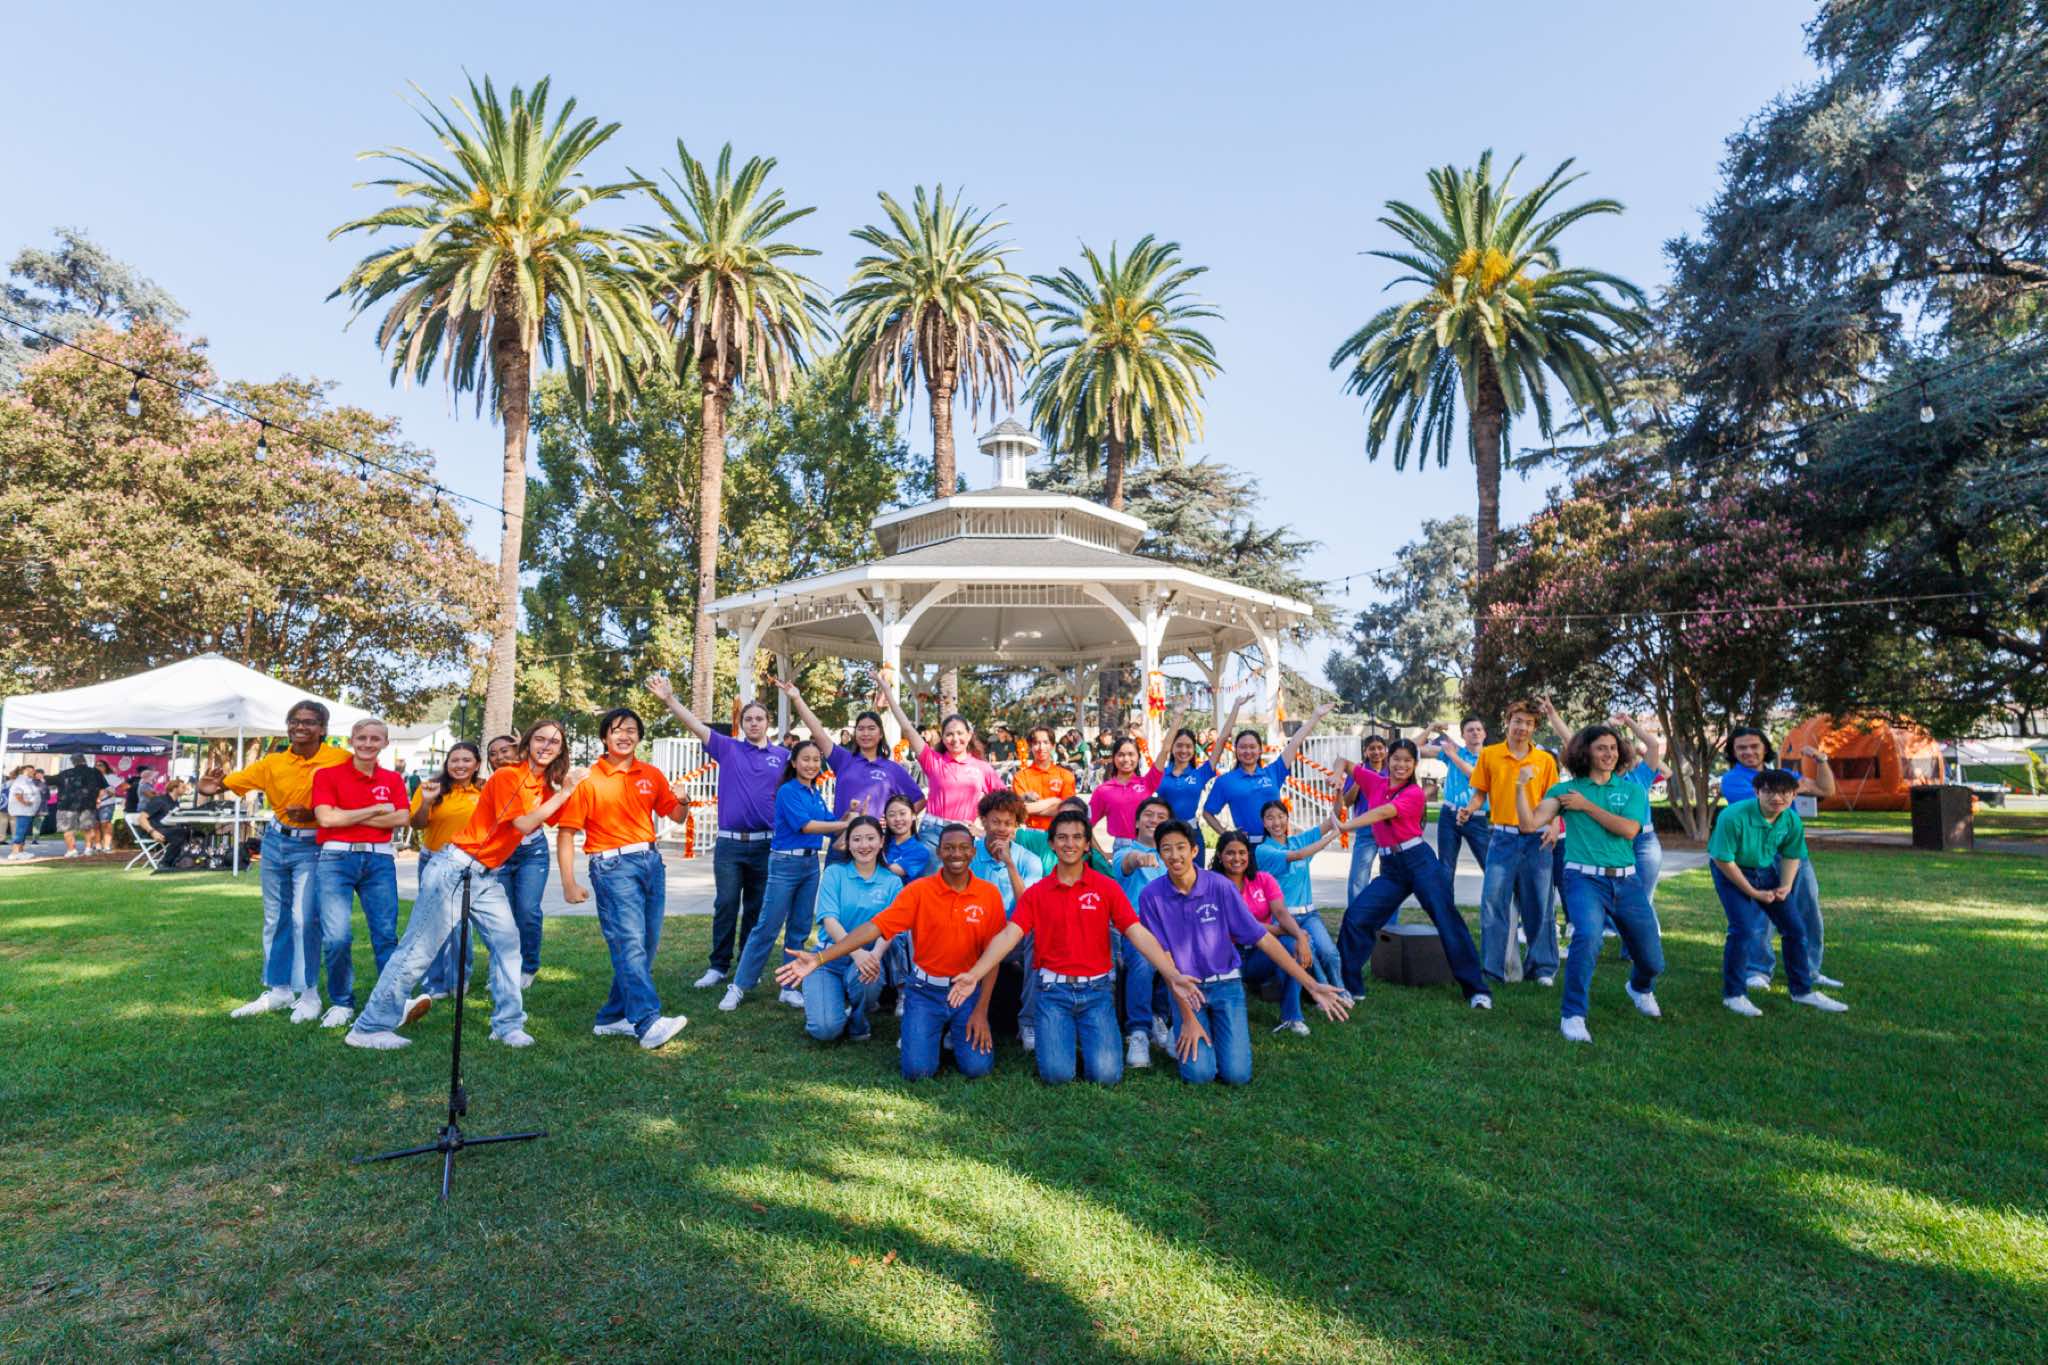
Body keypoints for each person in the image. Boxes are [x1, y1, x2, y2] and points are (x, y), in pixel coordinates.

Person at [352, 719, 661, 1050]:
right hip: (455, 869)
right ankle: (369, 1027)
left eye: (554, 742)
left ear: (561, 751)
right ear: (526, 744)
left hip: (486, 876)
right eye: (540, 739)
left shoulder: (541, 787)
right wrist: (567, 790)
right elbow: (524, 824)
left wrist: (601, 789)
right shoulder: (507, 777)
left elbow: (572, 816)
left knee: (508, 946)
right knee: (417, 952)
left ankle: (507, 1024)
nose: (546, 746)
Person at [946, 809, 1196, 1086]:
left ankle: (1085, 1041)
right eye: (1062, 838)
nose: (1070, 844)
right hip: (1053, 993)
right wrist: (974, 974)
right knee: (1057, 1075)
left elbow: (1137, 932)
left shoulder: (1106, 887)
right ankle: (1063, 1041)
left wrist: (1172, 974)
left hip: (1097, 992)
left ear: (1087, 844)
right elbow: (1009, 936)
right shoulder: (1037, 893)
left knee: (1106, 1075)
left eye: (1077, 837)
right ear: (1052, 844)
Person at [777, 825, 1005, 1081]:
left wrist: (981, 1011)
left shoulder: (989, 894)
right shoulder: (919, 891)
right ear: (939, 852)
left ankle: (946, 1031)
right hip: (925, 991)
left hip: (966, 993)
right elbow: (874, 928)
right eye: (949, 848)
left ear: (973, 852)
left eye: (963, 848)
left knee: (977, 1068)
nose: (956, 854)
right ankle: (929, 1030)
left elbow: (993, 957)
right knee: (917, 1072)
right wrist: (819, 958)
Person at [1136, 821, 1349, 1085]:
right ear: (1159, 853)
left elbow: (1262, 938)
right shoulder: (1151, 896)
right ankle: (1182, 1027)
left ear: (1194, 851)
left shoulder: (1219, 887)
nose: (1174, 855)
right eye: (1166, 849)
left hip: (1226, 984)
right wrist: (1189, 1019)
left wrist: (1312, 984)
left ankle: (1209, 1030)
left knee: (1236, 1075)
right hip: (1187, 990)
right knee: (1199, 1075)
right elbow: (1167, 965)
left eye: (1181, 847)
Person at [198, 700, 351, 1022]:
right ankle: (279, 990)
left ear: (323, 729)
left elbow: (354, 798)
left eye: (309, 722)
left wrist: (316, 814)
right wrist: (210, 788)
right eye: (294, 721)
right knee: (275, 918)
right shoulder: (273, 762)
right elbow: (229, 783)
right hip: (275, 842)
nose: (300, 726)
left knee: (304, 919)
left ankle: (309, 994)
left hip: (313, 845)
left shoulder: (340, 759)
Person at [1514, 724, 1666, 1044]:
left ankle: (1639, 987)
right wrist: (1520, 787)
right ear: (1586, 752)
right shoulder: (1565, 791)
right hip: (1583, 879)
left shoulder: (1631, 790)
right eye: (1601, 748)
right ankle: (1573, 1015)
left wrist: (1586, 806)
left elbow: (1628, 830)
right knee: (1587, 938)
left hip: (1627, 881)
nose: (1609, 754)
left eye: (1613, 748)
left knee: (1653, 959)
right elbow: (1529, 824)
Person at [555, 706, 695, 1041]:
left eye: (631, 729)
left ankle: (612, 1017)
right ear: (605, 737)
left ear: (639, 737)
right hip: (612, 868)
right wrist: (569, 883)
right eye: (616, 729)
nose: (624, 735)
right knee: (630, 943)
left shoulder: (651, 773)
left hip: (651, 863)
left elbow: (676, 816)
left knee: (646, 944)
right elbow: (566, 833)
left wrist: (684, 800)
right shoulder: (589, 778)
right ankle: (647, 1022)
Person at [646, 672, 786, 991]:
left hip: (766, 845)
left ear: (768, 723)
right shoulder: (727, 748)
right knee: (726, 904)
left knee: (756, 908)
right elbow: (695, 725)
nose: (754, 723)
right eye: (748, 719)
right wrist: (669, 699)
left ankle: (748, 966)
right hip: (729, 846)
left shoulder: (783, 757)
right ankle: (718, 966)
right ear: (741, 723)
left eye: (759, 719)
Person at [1336, 740, 1491, 1009]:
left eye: (1408, 761)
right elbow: (1344, 762)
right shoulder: (1375, 782)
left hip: (1419, 862)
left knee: (1447, 920)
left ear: (1415, 764)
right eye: (1396, 759)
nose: (1401, 765)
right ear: (1388, 760)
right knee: (1356, 916)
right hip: (1391, 868)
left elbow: (1384, 812)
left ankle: (1477, 990)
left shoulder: (1414, 793)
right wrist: (1336, 775)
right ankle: (1349, 987)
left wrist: (1347, 825)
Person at [722, 737, 862, 1013]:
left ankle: (788, 988)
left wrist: (850, 814)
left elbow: (830, 823)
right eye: (805, 759)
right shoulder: (788, 791)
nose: (811, 764)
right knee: (767, 926)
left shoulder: (814, 792)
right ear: (794, 763)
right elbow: (806, 826)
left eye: (816, 760)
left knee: (799, 928)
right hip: (785, 864)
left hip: (810, 865)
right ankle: (738, 985)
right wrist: (845, 823)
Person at [1708, 768, 1851, 1018]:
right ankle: (1734, 995)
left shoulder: (1790, 819)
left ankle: (1802, 991)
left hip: (1764, 869)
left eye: (1784, 793)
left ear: (1795, 794)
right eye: (1769, 792)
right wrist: (1754, 892)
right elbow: (1723, 860)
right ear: (1757, 792)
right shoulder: (1733, 816)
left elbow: (1792, 854)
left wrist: (1785, 886)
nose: (1777, 798)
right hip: (1731, 871)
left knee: (1795, 929)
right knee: (1743, 929)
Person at [306, 718, 411, 1030]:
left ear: (385, 744)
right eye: (362, 737)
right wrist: (376, 810)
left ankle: (390, 1002)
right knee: (337, 936)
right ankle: (342, 1001)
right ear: (351, 740)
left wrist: (346, 815)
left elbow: (402, 818)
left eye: (375, 739)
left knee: (385, 934)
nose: (367, 744)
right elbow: (326, 819)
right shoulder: (327, 775)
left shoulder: (392, 779)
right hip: (336, 859)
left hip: (379, 860)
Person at [426, 733, 550, 997]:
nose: (499, 757)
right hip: (500, 855)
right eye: (493, 754)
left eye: (505, 751)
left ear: (520, 751)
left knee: (527, 911)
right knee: (503, 919)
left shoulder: (534, 779)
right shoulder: (491, 784)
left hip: (531, 852)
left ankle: (528, 966)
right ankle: (502, 972)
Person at [1722, 727, 1842, 991]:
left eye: (1754, 746)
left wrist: (1821, 760)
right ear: (1733, 752)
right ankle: (1757, 970)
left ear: (1765, 748)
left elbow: (1826, 789)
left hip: (1793, 854)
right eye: (1741, 747)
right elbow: (1767, 807)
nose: (1748, 752)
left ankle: (1809, 969)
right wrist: (1791, 788)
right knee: (1760, 914)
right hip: (1757, 857)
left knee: (1807, 909)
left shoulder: (1784, 776)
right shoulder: (1732, 780)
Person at [770, 677, 922, 863]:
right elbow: (817, 731)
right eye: (861, 729)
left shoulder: (892, 769)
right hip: (841, 841)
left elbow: (919, 800)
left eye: (871, 729)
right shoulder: (843, 759)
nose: (866, 733)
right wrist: (797, 698)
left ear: (880, 734)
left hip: (874, 844)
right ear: (855, 733)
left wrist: (893, 821)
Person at [1467, 699, 1559, 988]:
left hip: (1537, 840)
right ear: (1508, 721)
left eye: (1529, 723)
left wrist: (1555, 826)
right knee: (1493, 904)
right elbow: (1480, 794)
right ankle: (1492, 970)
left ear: (1534, 728)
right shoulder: (1490, 755)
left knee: (1540, 905)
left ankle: (1542, 968)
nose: (1523, 727)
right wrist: (1469, 809)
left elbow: (1554, 800)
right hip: (1502, 838)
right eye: (1518, 721)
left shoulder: (1545, 760)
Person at [799, 815, 903, 1043]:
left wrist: (874, 956)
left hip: (869, 955)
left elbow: (891, 927)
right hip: (828, 956)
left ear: (881, 841)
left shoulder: (892, 882)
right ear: (848, 843)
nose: (864, 845)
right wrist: (856, 953)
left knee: (869, 973)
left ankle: (858, 1019)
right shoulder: (834, 873)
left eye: (870, 838)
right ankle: (833, 1009)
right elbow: (829, 920)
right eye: (856, 839)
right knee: (824, 1030)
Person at [1211, 830, 1317, 1036]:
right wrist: (1279, 930)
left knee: (1294, 946)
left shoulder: (1263, 879)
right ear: (1220, 856)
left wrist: (1300, 938)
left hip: (1261, 951)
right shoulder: (1213, 885)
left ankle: (1292, 1017)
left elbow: (1281, 912)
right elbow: (1238, 924)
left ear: (1249, 855)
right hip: (1229, 955)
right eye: (1230, 853)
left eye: (1242, 852)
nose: (1237, 858)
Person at [878, 675, 1001, 849]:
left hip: (964, 833)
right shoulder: (933, 761)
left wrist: (984, 830)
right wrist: (888, 692)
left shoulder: (982, 768)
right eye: (949, 734)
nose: (955, 739)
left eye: (960, 733)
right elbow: (907, 728)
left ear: (969, 735)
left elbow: (1005, 802)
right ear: (942, 738)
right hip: (932, 833)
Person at [1200, 701, 1337, 845]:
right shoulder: (1226, 781)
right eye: (1243, 747)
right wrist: (1227, 834)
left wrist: (1315, 716)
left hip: (1277, 845)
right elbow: (1207, 812)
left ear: (1260, 750)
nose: (1248, 751)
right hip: (1246, 848)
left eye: (1252, 747)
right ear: (1236, 751)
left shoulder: (1273, 772)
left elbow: (1295, 742)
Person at [971, 789, 1046, 1049]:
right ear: (984, 821)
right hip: (975, 935)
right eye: (996, 821)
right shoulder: (968, 854)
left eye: (1008, 823)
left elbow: (1029, 907)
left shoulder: (1029, 860)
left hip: (1014, 938)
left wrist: (1010, 864)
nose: (1002, 829)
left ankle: (1028, 1021)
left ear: (1016, 826)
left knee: (1039, 937)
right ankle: (956, 1017)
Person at [408, 742, 485, 993]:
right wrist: (426, 802)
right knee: (431, 922)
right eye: (455, 760)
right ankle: (435, 981)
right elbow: (417, 824)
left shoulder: (484, 791)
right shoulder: (431, 788)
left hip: (467, 864)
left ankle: (458, 979)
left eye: (466, 760)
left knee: (460, 923)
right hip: (432, 860)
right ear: (447, 763)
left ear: (476, 764)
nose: (460, 765)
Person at [1254, 800, 1346, 998]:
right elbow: (1299, 855)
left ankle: (1341, 991)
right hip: (1284, 918)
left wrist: (1339, 791)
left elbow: (1332, 819)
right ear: (1263, 823)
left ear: (1287, 818)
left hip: (1309, 914)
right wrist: (1333, 836)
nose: (1276, 822)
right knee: (1309, 952)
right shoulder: (1263, 850)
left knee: (1329, 953)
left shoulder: (1298, 840)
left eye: (1280, 816)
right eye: (1270, 818)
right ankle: (1325, 995)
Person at [1114, 795, 1177, 1066]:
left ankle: (1160, 1017)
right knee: (1143, 962)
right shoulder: (1124, 851)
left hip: (1172, 929)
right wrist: (1141, 858)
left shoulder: (1173, 855)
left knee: (1183, 957)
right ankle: (1138, 1031)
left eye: (1161, 817)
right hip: (1137, 929)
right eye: (1149, 815)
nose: (1154, 820)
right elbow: (1128, 862)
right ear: (1138, 821)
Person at [1152, 701, 1243, 857]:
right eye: (1179, 745)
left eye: (1188, 746)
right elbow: (1164, 747)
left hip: (1192, 836)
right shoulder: (1160, 773)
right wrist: (1178, 715)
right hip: (1165, 835)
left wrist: (1236, 706)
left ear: (1194, 750)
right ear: (1172, 748)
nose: (1184, 750)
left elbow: (1221, 740)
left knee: (1196, 874)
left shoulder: (1200, 774)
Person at [1421, 717, 1490, 877]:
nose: (1475, 733)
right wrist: (1430, 728)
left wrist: (1453, 756)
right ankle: (1445, 895)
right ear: (1462, 735)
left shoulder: (1490, 757)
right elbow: (1414, 749)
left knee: (1488, 864)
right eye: (1470, 730)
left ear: (1484, 734)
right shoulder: (1454, 751)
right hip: (1449, 815)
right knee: (1445, 868)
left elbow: (1475, 776)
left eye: (1478, 729)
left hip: (1476, 817)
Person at [1337, 734, 1391, 902]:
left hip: (1389, 828)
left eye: (1380, 748)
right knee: (1359, 877)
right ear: (1365, 751)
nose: (1376, 752)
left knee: (1392, 876)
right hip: (1366, 829)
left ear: (1386, 750)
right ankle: (1356, 915)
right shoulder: (1357, 771)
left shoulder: (1392, 770)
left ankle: (1389, 917)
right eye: (1372, 748)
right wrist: (1360, 780)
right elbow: (1347, 802)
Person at [1089, 734, 1165, 841]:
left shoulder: (1147, 783)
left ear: (1138, 757)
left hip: (1148, 845)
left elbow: (1165, 751)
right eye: (1121, 755)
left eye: (1131, 754)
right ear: (1113, 758)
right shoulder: (1103, 791)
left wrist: (1177, 722)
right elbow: (1085, 826)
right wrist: (1098, 850)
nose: (1126, 759)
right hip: (1122, 848)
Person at [1011, 726, 1077, 830]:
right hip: (1030, 833)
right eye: (1036, 743)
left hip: (1058, 833)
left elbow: (1067, 809)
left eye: (1046, 742)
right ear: (1030, 747)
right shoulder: (1020, 777)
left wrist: (1032, 808)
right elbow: (1020, 809)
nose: (1041, 748)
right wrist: (1054, 801)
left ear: (1053, 746)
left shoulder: (1066, 776)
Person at [52, 755, 108, 859]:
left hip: (67, 805)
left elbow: (51, 782)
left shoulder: (65, 773)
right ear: (84, 760)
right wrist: (98, 799)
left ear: (73, 762)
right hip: (88, 804)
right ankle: (88, 849)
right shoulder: (95, 772)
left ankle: (71, 850)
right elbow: (103, 789)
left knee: (68, 828)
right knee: (88, 827)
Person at [136, 778, 196, 870]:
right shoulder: (159, 800)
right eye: (183, 787)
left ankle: (179, 861)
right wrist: (152, 832)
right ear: (175, 788)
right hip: (153, 830)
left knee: (190, 831)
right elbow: (141, 818)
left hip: (168, 830)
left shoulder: (175, 803)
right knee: (181, 833)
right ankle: (164, 863)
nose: (186, 789)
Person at [7, 764, 43, 859]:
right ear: (24, 771)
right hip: (23, 811)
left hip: (28, 811)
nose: (33, 772)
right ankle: (15, 853)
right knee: (20, 831)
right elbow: (17, 793)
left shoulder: (27, 780)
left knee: (23, 832)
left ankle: (21, 851)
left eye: (33, 771)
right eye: (30, 771)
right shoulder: (21, 780)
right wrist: (24, 802)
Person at [90, 761, 120, 853]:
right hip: (93, 804)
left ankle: (107, 846)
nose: (98, 767)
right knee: (95, 825)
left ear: (106, 767)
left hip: (107, 804)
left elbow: (114, 792)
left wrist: (105, 788)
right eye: (96, 765)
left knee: (105, 824)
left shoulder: (111, 777)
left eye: (100, 765)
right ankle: (98, 845)